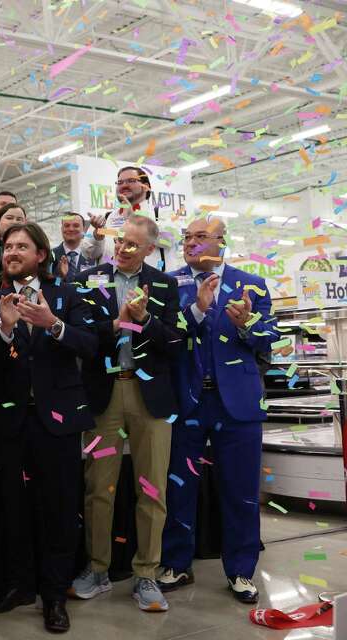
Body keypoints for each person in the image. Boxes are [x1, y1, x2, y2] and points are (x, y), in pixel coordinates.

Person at [0, 223, 96, 632]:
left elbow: (90, 345)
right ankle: (19, 585)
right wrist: (5, 329)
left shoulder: (68, 295)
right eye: (7, 246)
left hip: (57, 424)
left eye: (21, 246)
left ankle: (54, 596)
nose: (12, 252)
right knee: (15, 507)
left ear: (41, 254)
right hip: (11, 425)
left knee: (59, 510)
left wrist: (52, 324)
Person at [158, 216, 277, 603]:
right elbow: (165, 336)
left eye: (200, 237)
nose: (191, 243)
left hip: (238, 404)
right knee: (180, 487)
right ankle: (176, 564)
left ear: (221, 242)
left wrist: (246, 325)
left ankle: (241, 571)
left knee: (240, 490)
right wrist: (196, 310)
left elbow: (267, 339)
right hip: (187, 401)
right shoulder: (169, 283)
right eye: (187, 237)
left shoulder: (251, 284)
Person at [71, 217, 185, 612]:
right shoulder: (89, 279)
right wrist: (116, 321)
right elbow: (82, 338)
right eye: (120, 240)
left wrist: (145, 321)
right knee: (98, 486)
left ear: (150, 250)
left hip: (151, 398)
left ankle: (146, 574)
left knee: (152, 489)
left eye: (133, 244)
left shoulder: (166, 286)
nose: (123, 248)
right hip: (104, 395)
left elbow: (175, 342)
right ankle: (98, 569)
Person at [80, 166, 167, 269]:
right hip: (110, 282)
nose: (124, 185)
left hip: (149, 282)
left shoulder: (162, 214)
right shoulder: (107, 218)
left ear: (145, 186)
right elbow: (88, 254)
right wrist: (98, 236)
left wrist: (134, 218)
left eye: (131, 181)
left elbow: (169, 241)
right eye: (120, 182)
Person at [52, 212, 96, 281]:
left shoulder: (94, 255)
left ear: (84, 230)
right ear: (61, 229)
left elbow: (98, 286)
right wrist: (61, 278)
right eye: (67, 225)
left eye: (76, 226)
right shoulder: (50, 256)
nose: (71, 229)